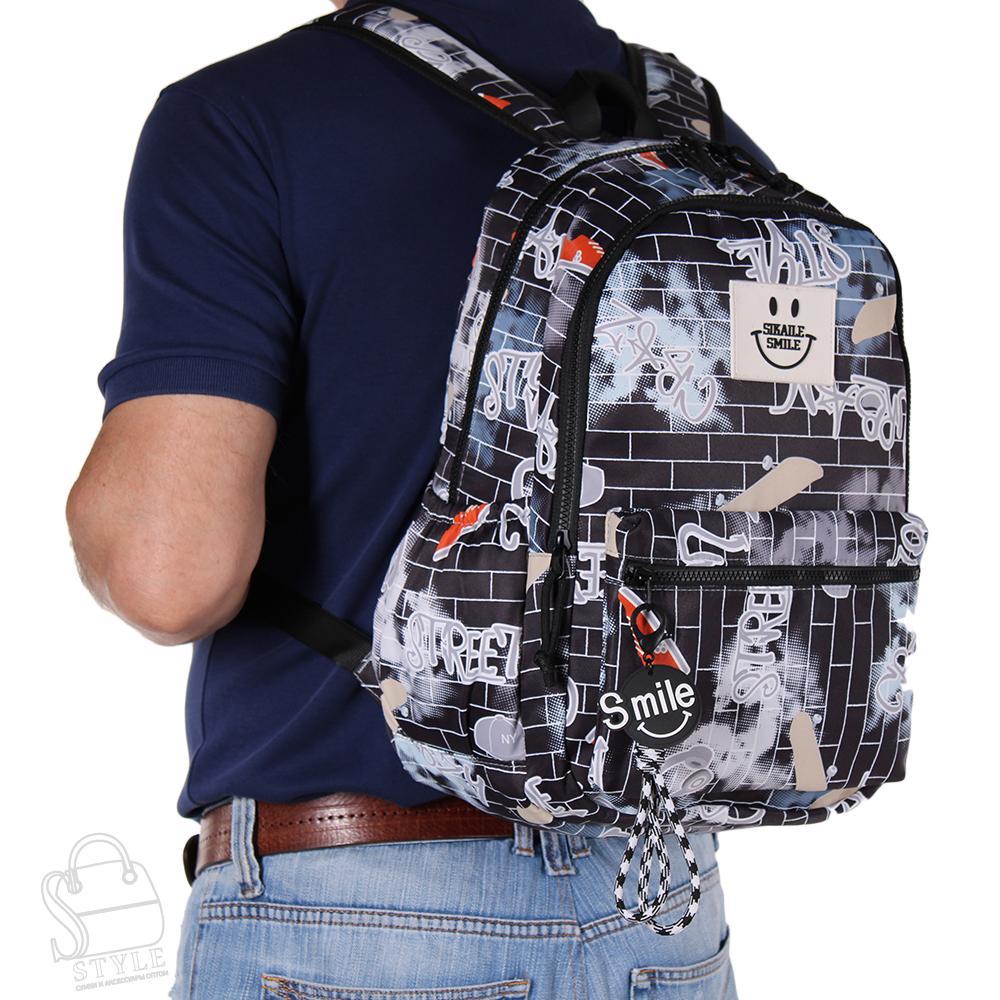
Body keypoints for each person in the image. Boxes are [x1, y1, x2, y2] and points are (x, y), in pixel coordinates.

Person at [67, 2, 762, 996]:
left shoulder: (247, 117)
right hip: (664, 906)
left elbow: (169, 577)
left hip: (359, 918)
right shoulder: (698, 137)